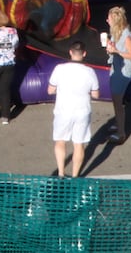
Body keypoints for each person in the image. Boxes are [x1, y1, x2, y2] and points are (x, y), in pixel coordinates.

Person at [47, 41, 101, 178]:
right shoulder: (90, 71)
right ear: (84, 54)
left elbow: (50, 90)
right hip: (82, 110)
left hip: (63, 110)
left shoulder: (59, 69)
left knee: (60, 141)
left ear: (70, 52)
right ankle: (76, 175)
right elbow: (96, 94)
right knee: (79, 144)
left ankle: (60, 172)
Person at [102, 5, 131, 145]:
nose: (107, 20)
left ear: (116, 21)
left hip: (123, 73)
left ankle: (121, 133)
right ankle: (118, 124)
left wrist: (116, 51)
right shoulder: (115, 32)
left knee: (118, 102)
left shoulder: (125, 36)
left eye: (109, 18)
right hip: (116, 69)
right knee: (116, 99)